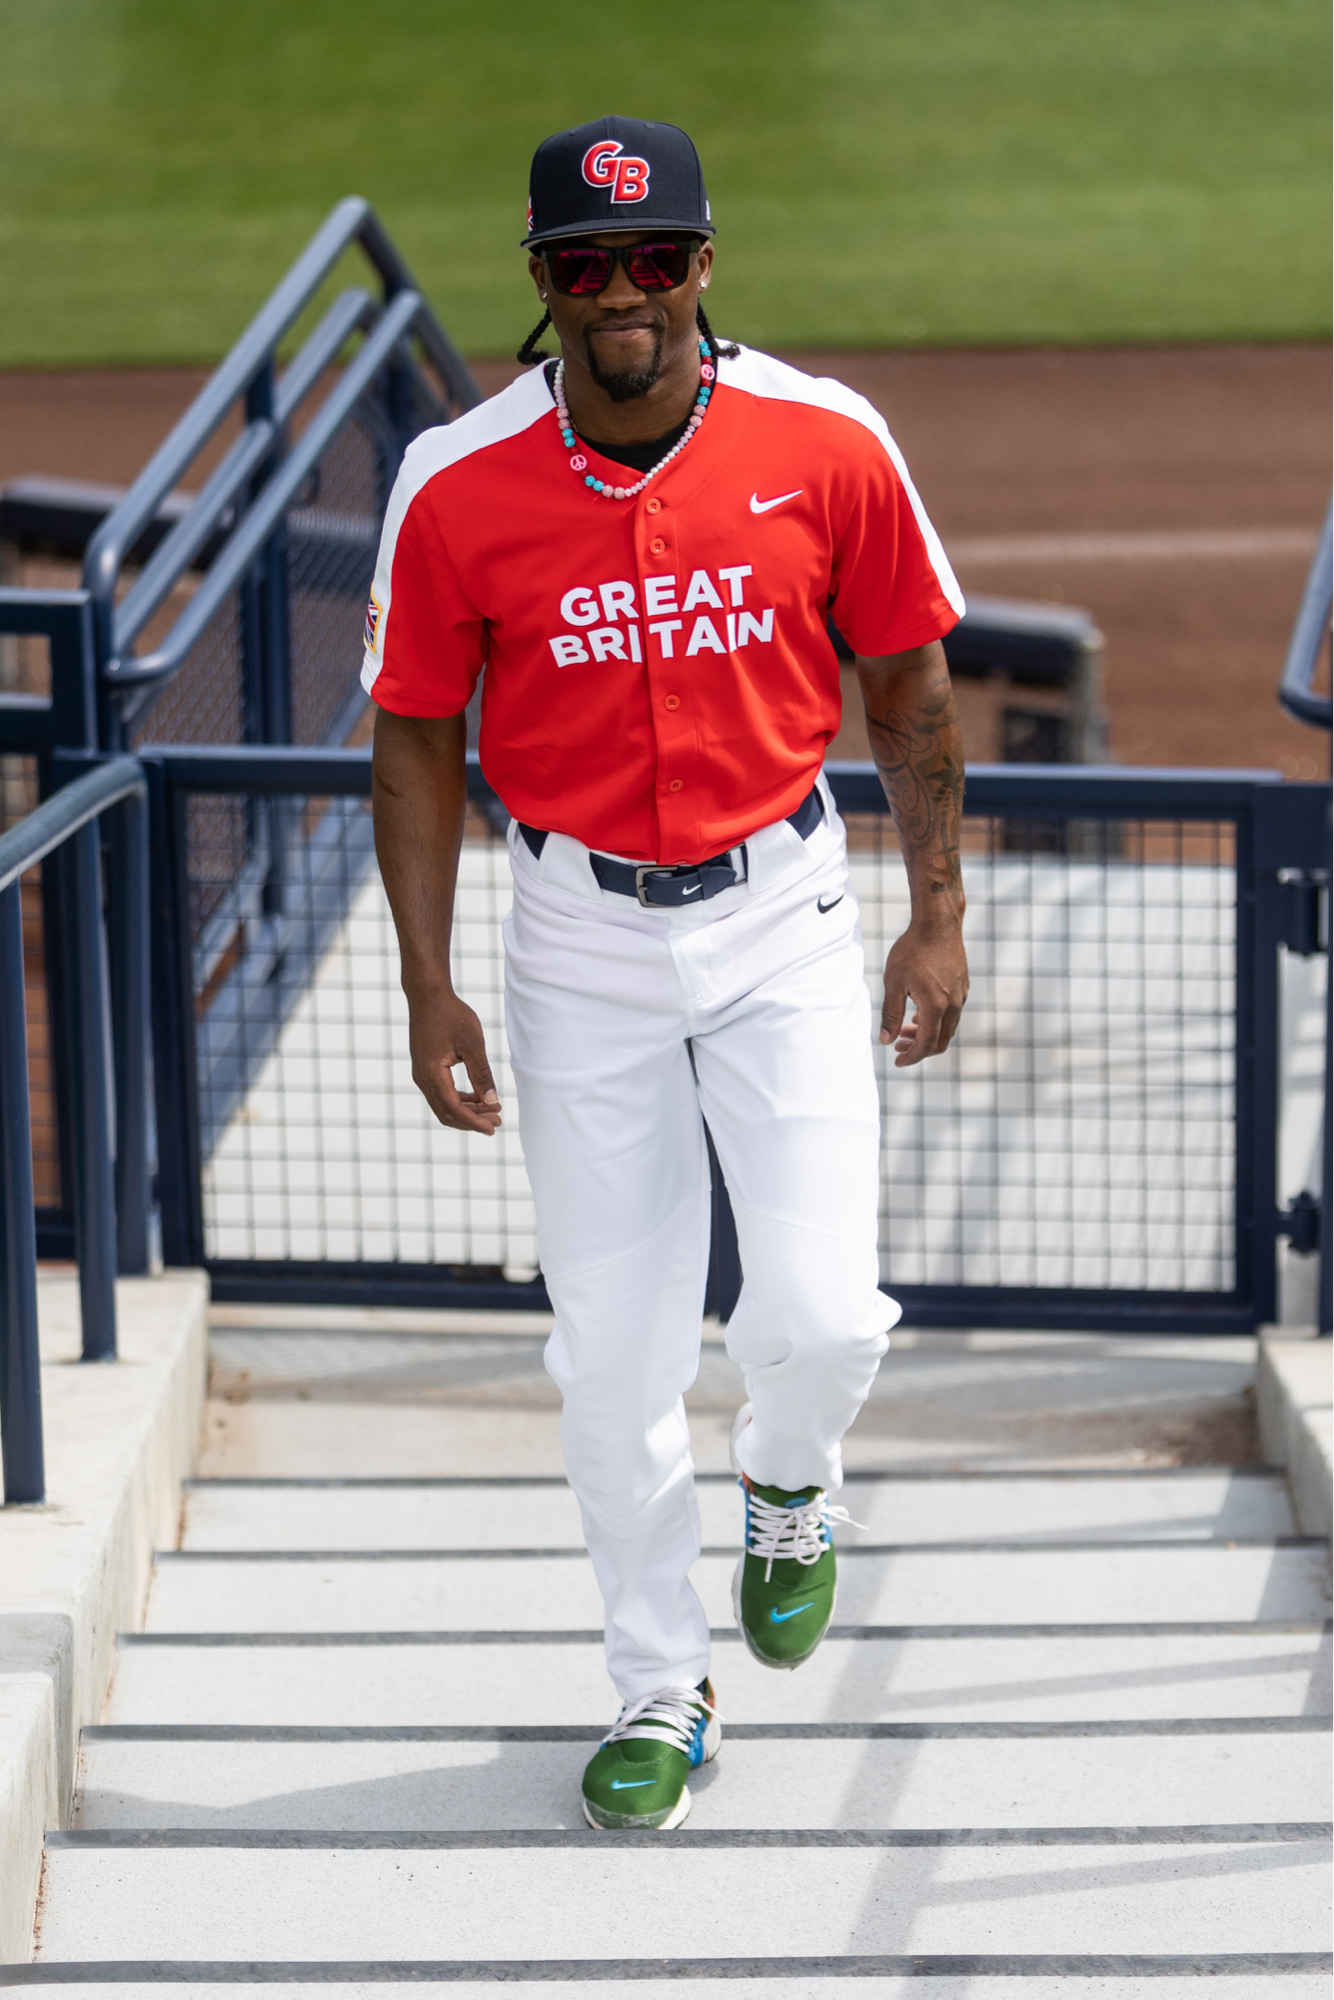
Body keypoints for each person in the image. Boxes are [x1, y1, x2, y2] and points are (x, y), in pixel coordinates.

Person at [365, 114, 968, 1830]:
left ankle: (789, 1477)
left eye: (651, 260)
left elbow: (910, 691)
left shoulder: (828, 440)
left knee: (822, 1311)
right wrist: (427, 979)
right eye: (579, 266)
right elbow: (413, 741)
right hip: (572, 936)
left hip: (780, 909)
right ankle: (657, 1689)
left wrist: (935, 911)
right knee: (611, 1357)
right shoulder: (455, 478)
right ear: (542, 286)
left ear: (703, 264)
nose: (618, 295)